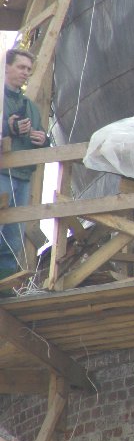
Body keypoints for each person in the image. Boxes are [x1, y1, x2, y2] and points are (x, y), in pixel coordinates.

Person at [1, 49, 50, 278]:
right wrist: (7, 127)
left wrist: (43, 140)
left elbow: (40, 135)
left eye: (29, 69)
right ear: (6, 67)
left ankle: (4, 284)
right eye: (21, 67)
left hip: (23, 176)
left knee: (14, 236)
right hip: (2, 173)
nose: (25, 73)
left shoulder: (30, 106)